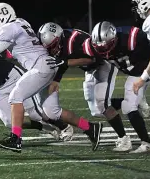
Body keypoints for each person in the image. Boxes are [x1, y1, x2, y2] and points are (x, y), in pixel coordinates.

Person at [0, 2, 103, 153]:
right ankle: (91, 128)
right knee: (52, 112)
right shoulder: (20, 22)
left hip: (40, 67)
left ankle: (16, 139)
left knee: (16, 96)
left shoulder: (8, 28)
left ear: (1, 17)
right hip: (47, 66)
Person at [0, 34, 74, 141]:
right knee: (9, 121)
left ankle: (65, 127)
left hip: (13, 77)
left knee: (36, 114)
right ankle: (44, 127)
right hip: (0, 87)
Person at [37, 22, 133, 151]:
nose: (51, 50)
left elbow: (94, 59)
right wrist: (57, 80)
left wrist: (66, 64)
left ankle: (124, 139)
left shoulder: (76, 41)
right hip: (90, 69)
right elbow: (63, 61)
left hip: (103, 65)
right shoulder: (62, 42)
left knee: (102, 103)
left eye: (53, 46)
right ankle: (130, 102)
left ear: (59, 38)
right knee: (96, 111)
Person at [89, 21, 150, 153]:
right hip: (137, 75)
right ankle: (147, 143)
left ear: (114, 38)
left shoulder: (133, 37)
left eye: (106, 45)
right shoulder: (96, 47)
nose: (104, 50)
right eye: (99, 47)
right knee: (128, 105)